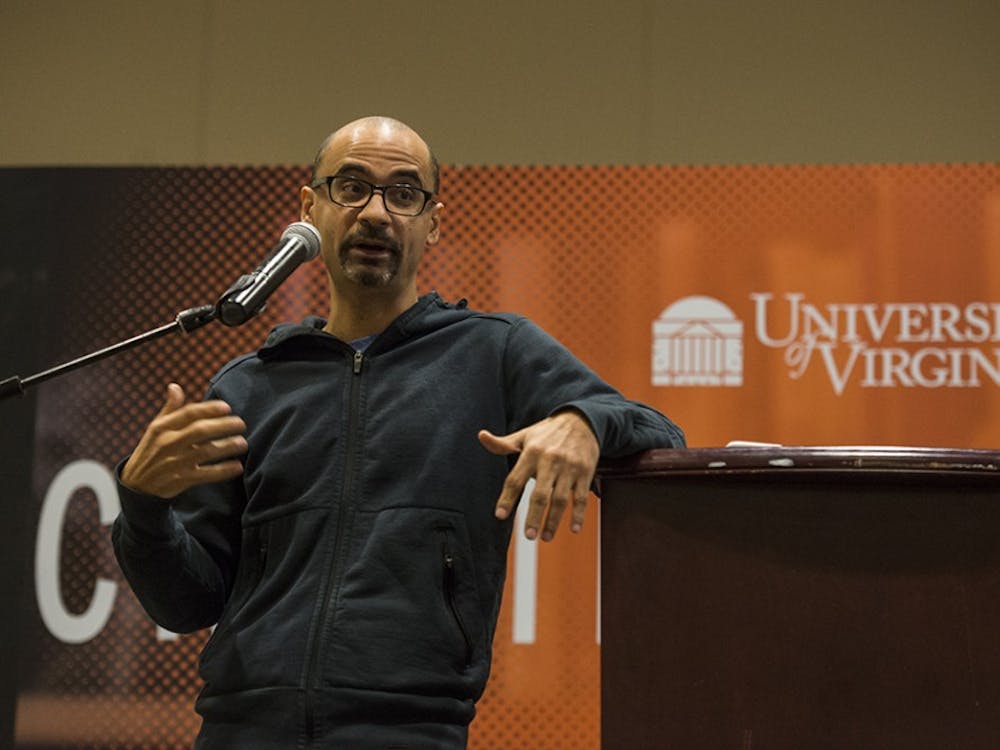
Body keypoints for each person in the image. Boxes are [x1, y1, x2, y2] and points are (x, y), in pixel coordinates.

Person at [112, 116, 685, 749]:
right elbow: (185, 605)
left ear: (434, 221)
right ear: (310, 209)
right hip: (239, 730)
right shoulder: (249, 387)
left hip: (410, 730)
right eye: (351, 187)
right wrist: (143, 509)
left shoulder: (494, 352)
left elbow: (661, 433)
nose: (377, 214)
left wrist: (584, 421)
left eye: (405, 194)